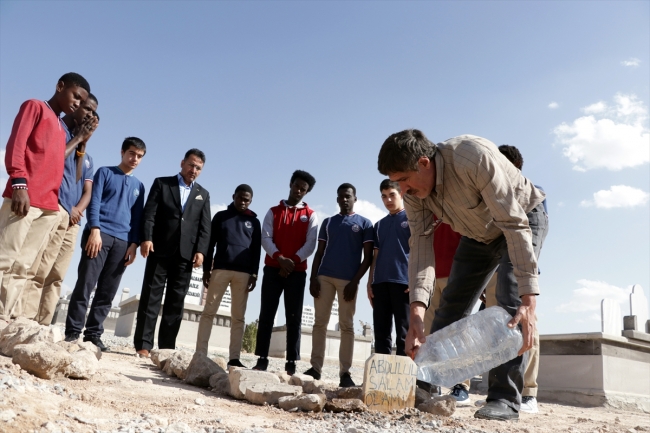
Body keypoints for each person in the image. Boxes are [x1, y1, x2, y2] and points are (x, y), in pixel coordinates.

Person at [377, 130, 548, 421]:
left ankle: (505, 399)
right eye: (397, 183)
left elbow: (513, 223)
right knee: (451, 306)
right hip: (477, 234)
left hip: (520, 219)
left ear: (424, 163)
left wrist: (528, 300)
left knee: (507, 305)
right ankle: (423, 388)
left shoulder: (472, 156)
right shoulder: (415, 195)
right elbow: (420, 248)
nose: (401, 190)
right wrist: (417, 314)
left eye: (404, 179)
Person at [0, 72, 91, 322]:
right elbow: (16, 145)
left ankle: (4, 317)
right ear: (60, 86)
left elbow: (61, 165)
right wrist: (19, 183)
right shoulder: (35, 107)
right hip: (24, 198)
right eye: (75, 96)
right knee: (4, 259)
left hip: (49, 206)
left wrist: (81, 139)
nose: (77, 104)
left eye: (82, 102)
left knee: (23, 267)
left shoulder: (62, 130)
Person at [18, 94, 99, 325]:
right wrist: (78, 139)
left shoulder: (86, 155)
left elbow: (79, 179)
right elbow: (52, 162)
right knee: (37, 268)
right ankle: (25, 317)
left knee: (57, 275)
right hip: (55, 207)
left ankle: (43, 322)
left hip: (72, 218)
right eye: (88, 112)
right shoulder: (60, 132)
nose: (90, 118)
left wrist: (84, 143)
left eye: (94, 118)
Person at [64, 137, 147, 351]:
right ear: (122, 152)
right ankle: (73, 332)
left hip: (123, 242)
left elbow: (137, 218)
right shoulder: (105, 172)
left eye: (139, 156)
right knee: (85, 284)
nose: (134, 159)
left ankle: (93, 335)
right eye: (131, 153)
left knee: (107, 292)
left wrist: (134, 244)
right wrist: (95, 230)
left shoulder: (139, 186)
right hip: (98, 235)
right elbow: (94, 202)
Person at [133, 149, 211, 357]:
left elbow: (205, 227)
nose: (193, 170)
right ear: (182, 163)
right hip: (159, 249)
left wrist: (201, 252)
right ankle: (143, 345)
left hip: (185, 256)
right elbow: (150, 213)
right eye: (191, 165)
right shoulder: (162, 184)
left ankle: (166, 347)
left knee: (176, 302)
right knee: (151, 298)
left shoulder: (203, 194)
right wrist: (146, 238)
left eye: (198, 168)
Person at [304, 183, 373, 387]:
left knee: (347, 326)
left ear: (355, 199)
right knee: (319, 323)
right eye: (341, 196)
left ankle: (345, 373)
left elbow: (368, 258)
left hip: (348, 281)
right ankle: (315, 368)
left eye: (348, 196)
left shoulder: (365, 224)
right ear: (337, 199)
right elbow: (319, 252)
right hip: (324, 277)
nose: (345, 199)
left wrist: (355, 282)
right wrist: (312, 278)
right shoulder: (328, 222)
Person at [252, 170, 318, 375]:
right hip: (273, 268)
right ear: (290, 184)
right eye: (297, 186)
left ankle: (291, 362)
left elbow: (311, 244)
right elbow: (265, 238)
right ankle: (262, 359)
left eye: (303, 189)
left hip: (297, 272)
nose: (299, 191)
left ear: (306, 193)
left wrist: (293, 262)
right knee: (267, 313)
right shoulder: (273, 211)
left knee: (294, 316)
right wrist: (280, 258)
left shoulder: (311, 215)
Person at [196, 184, 261, 366]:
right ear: (234, 196)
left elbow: (256, 251)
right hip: (220, 270)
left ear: (251, 201)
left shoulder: (254, 222)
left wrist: (254, 274)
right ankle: (200, 353)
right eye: (240, 198)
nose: (242, 202)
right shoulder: (221, 217)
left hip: (243, 274)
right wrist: (206, 269)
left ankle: (234, 359)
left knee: (238, 317)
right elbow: (210, 245)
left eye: (246, 200)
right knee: (209, 312)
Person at [421, 220, 471, 404]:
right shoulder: (424, 206)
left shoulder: (456, 201)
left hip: (458, 275)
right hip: (430, 277)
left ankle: (462, 385)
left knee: (458, 333)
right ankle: (433, 382)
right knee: (429, 334)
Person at [366, 179, 410, 358]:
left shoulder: (412, 218)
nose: (388, 200)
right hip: (380, 283)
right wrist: (370, 283)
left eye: (392, 195)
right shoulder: (379, 225)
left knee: (403, 333)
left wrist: (415, 280)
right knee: (381, 333)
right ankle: (380, 376)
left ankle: (402, 378)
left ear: (401, 194)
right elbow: (375, 257)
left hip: (404, 282)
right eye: (384, 196)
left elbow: (419, 251)